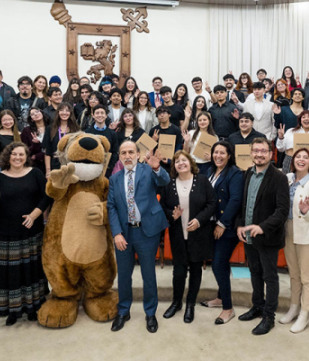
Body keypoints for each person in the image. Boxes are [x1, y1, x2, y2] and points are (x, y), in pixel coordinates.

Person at [108, 141, 170, 333]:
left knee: (148, 275)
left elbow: (164, 181)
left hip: (147, 231)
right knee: (124, 275)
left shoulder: (148, 170)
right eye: (123, 152)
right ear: (119, 156)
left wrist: (157, 167)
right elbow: (111, 207)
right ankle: (123, 311)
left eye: (131, 152)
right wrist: (116, 232)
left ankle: (150, 313)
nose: (127, 156)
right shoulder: (115, 179)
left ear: (137, 154)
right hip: (124, 233)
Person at [0, 142, 52, 324]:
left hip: (33, 231)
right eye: (14, 154)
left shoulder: (36, 174)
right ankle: (13, 311)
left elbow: (47, 197)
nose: (17, 158)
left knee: (32, 270)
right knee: (11, 273)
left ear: (26, 157)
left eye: (21, 155)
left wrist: (34, 215)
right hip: (7, 233)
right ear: (8, 156)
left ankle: (33, 307)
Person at [235, 137, 291, 335]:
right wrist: (240, 226)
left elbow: (282, 210)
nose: (259, 154)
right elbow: (243, 205)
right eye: (255, 151)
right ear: (251, 153)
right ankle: (257, 306)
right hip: (249, 237)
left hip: (268, 236)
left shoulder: (279, 178)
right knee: (255, 273)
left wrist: (262, 227)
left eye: (263, 151)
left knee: (270, 276)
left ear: (270, 154)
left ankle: (269, 315)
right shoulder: (247, 174)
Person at [159, 151, 216, 323]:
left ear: (191, 163)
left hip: (198, 234)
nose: (181, 163)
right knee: (178, 272)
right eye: (177, 161)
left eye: (184, 160)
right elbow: (163, 205)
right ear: (174, 166)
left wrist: (199, 220)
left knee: (196, 271)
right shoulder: (170, 183)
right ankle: (177, 303)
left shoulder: (203, 181)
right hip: (178, 235)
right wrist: (172, 215)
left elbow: (212, 203)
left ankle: (190, 304)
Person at [196, 142, 245, 325]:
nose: (218, 156)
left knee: (217, 264)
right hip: (211, 225)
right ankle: (220, 298)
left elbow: (235, 200)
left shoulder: (235, 173)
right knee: (220, 263)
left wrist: (222, 224)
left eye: (222, 153)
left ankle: (228, 308)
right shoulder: (209, 171)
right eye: (215, 152)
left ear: (229, 155)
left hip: (227, 227)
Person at [279, 148, 309, 333]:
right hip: (288, 231)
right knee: (294, 274)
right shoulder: (287, 178)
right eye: (298, 157)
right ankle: (294, 307)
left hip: (306, 235)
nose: (301, 160)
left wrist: (305, 211)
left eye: (306, 157)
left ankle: (305, 314)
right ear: (293, 160)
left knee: (306, 277)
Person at [44, 104, 81, 177]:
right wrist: (48, 171)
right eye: (61, 110)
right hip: (55, 166)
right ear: (58, 112)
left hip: (72, 166)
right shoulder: (50, 129)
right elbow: (47, 152)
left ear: (71, 113)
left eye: (67, 110)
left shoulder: (76, 129)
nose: (64, 113)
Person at [84, 105, 118, 175]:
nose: (100, 115)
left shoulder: (112, 134)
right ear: (93, 115)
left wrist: (109, 167)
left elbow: (115, 153)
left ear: (106, 115)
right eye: (97, 113)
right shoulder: (87, 132)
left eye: (102, 113)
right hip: (90, 170)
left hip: (107, 171)